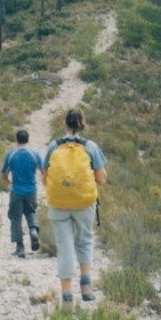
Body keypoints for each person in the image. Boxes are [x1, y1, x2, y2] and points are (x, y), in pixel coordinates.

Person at [43, 108, 107, 303]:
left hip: (58, 204)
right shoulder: (91, 147)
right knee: (85, 240)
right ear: (82, 124)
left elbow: (46, 178)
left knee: (64, 246)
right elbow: (102, 179)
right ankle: (86, 288)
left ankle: (67, 293)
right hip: (84, 202)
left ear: (65, 124)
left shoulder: (54, 146)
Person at [1, 129, 44, 259]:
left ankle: (20, 248)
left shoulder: (11, 155)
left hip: (16, 190)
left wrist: (8, 183)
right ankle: (33, 230)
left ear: (16, 139)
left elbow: (4, 174)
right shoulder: (35, 154)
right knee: (31, 212)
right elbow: (44, 171)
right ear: (28, 139)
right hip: (31, 190)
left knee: (16, 218)